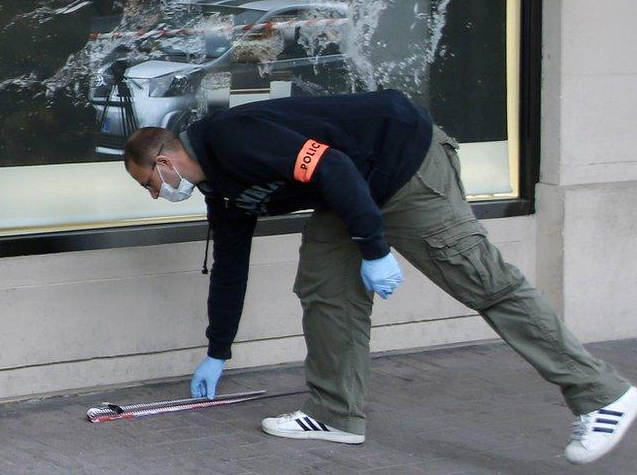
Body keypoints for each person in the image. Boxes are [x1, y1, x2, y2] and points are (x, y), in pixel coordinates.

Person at [124, 90, 635, 464]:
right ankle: (335, 414)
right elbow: (231, 266)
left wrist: (375, 249)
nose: (155, 194)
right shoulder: (223, 189)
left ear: (165, 160)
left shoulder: (234, 139)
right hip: (346, 187)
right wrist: (219, 349)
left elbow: (334, 167)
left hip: (403, 163)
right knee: (325, 286)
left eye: (150, 183)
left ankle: (601, 393)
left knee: (482, 281)